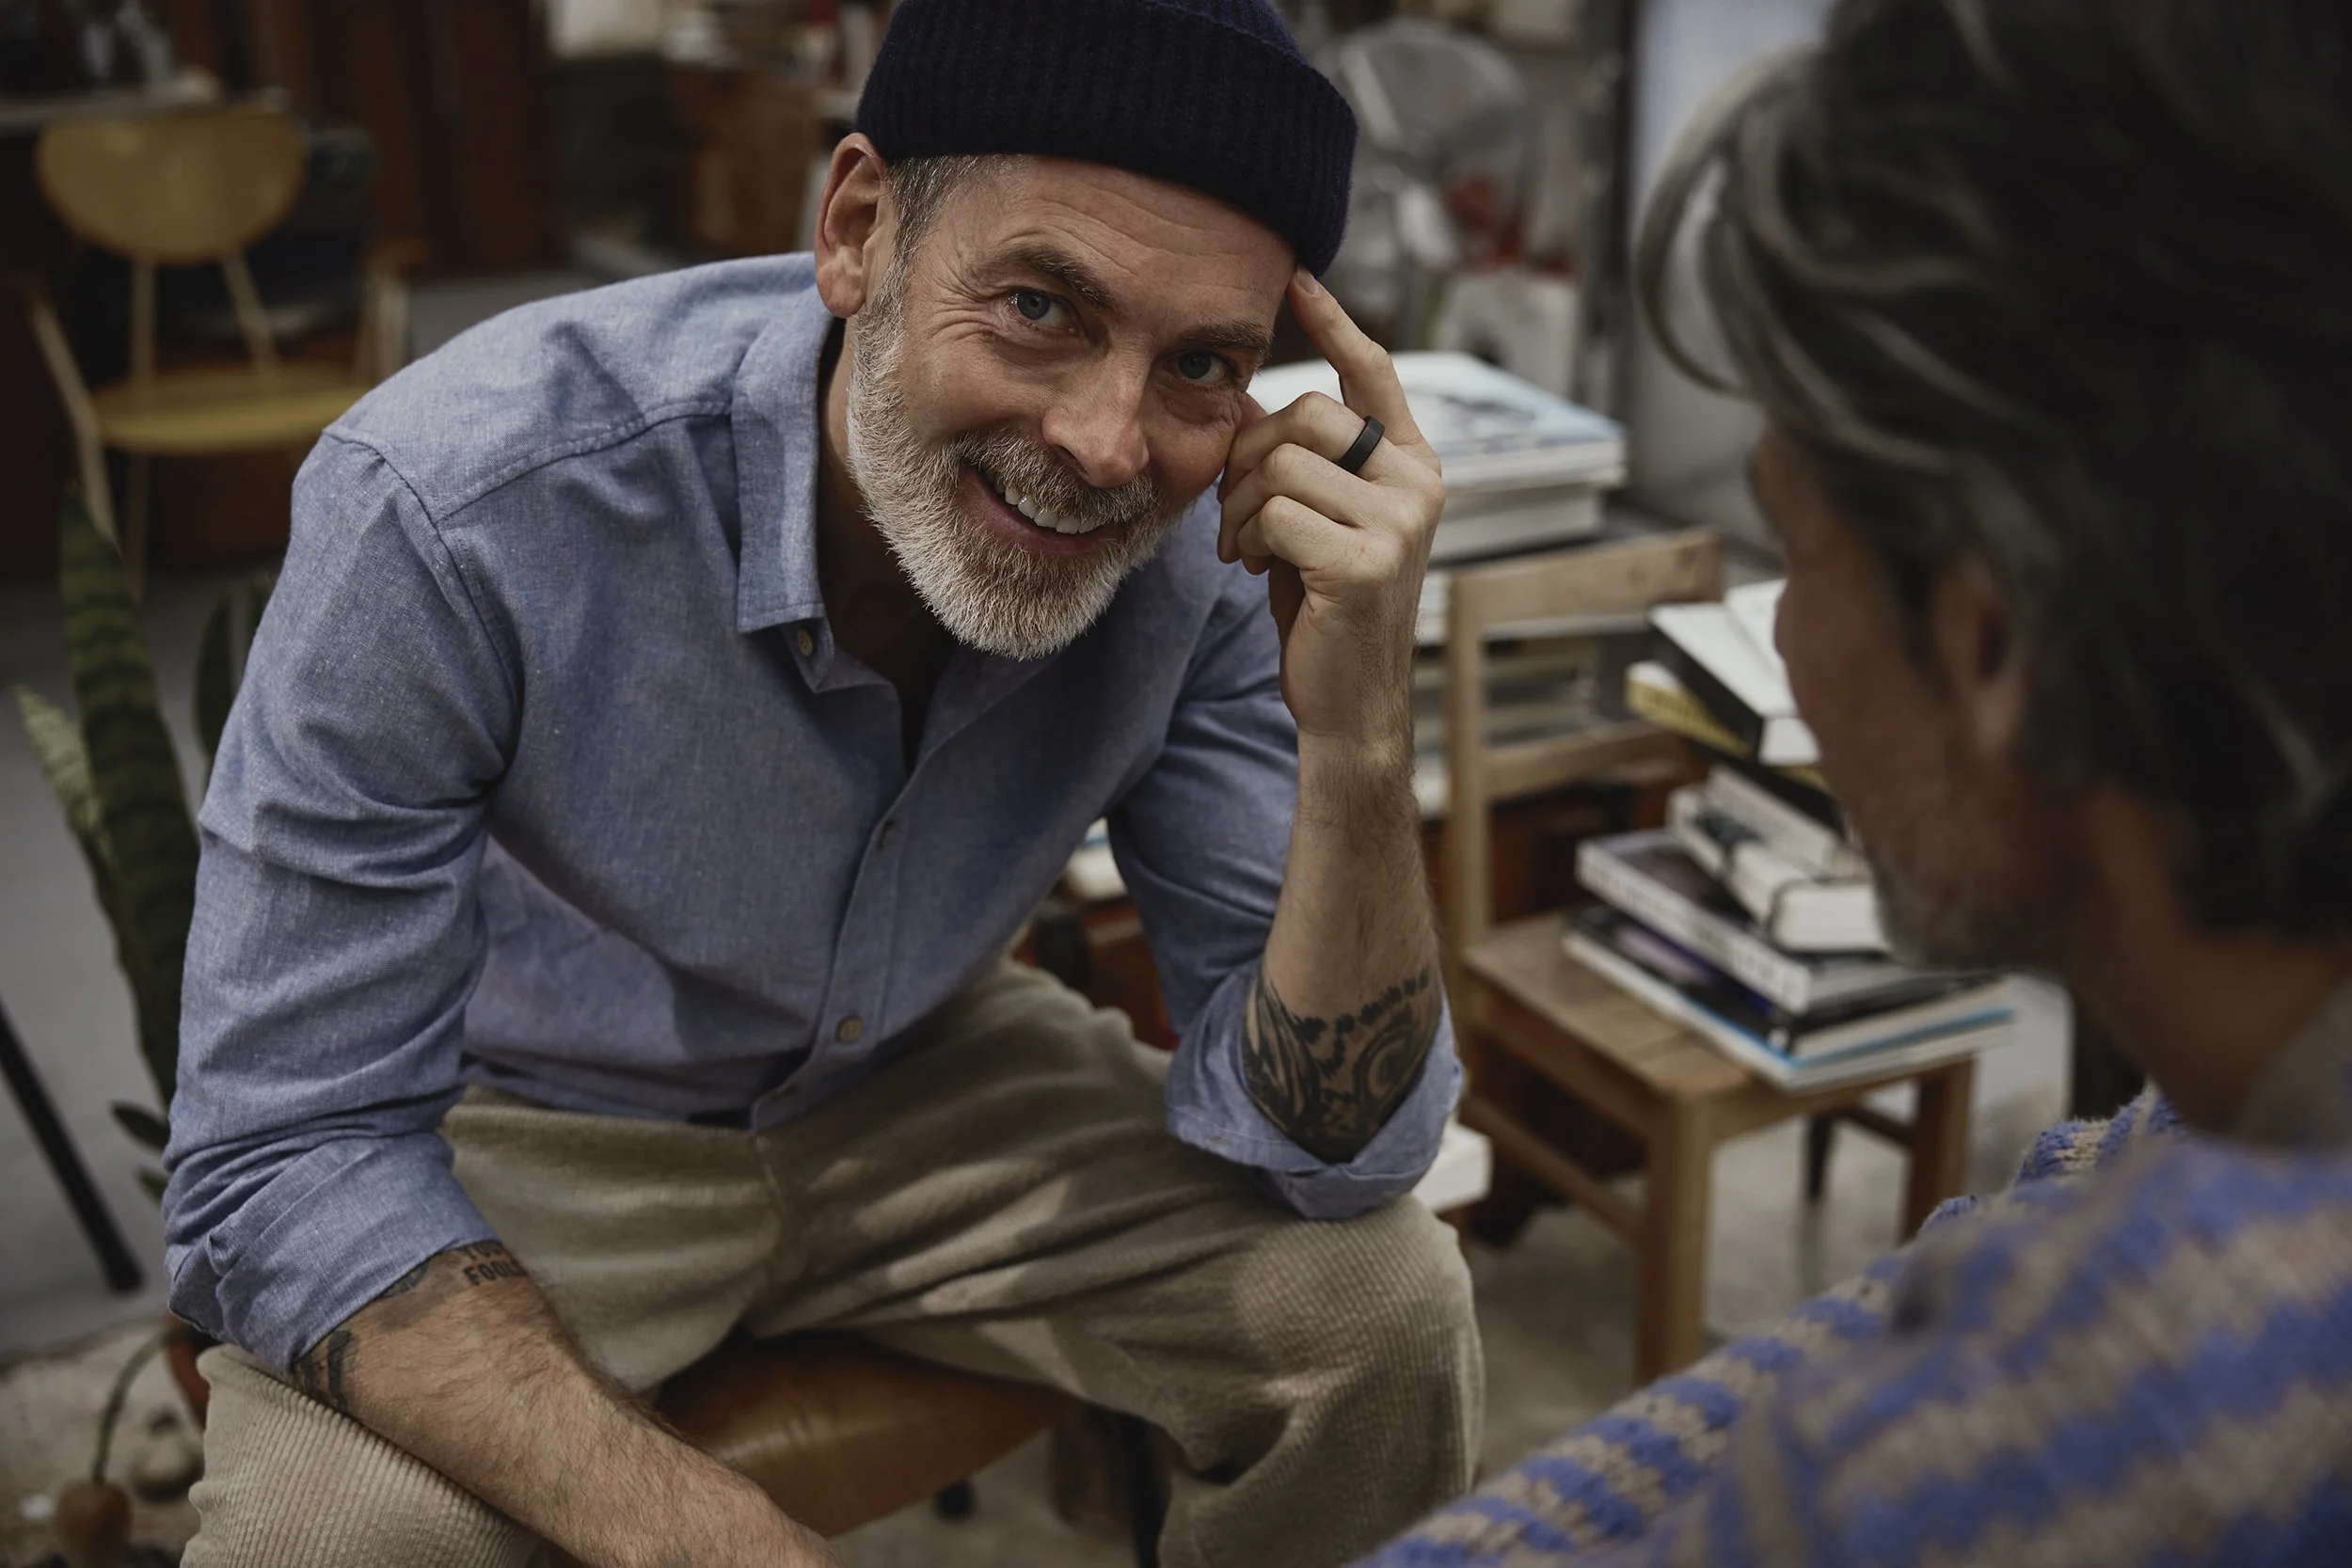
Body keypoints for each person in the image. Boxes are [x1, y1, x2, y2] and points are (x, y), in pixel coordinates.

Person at [162, 2, 1483, 1563]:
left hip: (930, 1069)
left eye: (1204, 362)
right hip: (530, 1121)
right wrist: (708, 1533)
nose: (1110, 443)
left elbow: (1338, 1162)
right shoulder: (462, 505)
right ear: (857, 230)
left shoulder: (1211, 540)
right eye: (1043, 306)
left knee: (1385, 1313)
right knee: (328, 1539)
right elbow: (280, 1152)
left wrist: (1361, 739)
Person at [1359, 0, 2352, 1562]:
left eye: (1793, 544)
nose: (1787, 629)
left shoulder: (2091, 1434)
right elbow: (2023, 1232)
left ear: (1994, 639)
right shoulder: (2222, 1119)